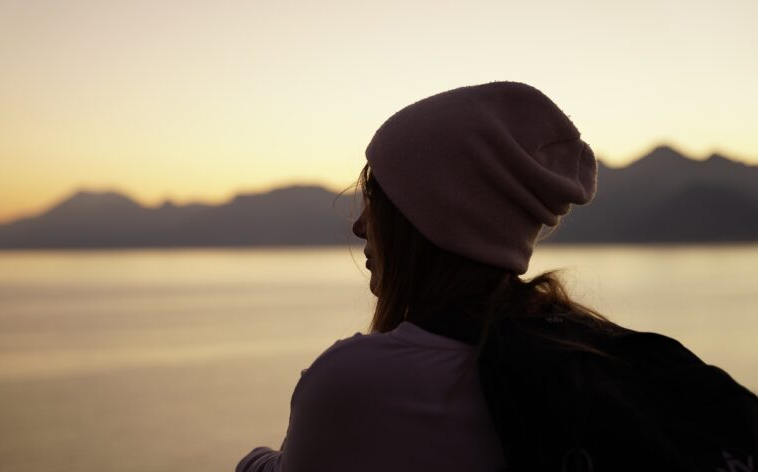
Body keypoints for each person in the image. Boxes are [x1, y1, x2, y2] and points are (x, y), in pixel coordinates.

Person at [236, 82, 758, 471]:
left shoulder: (360, 382)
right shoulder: (590, 349)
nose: (357, 225)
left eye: (375, 200)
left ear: (422, 220)